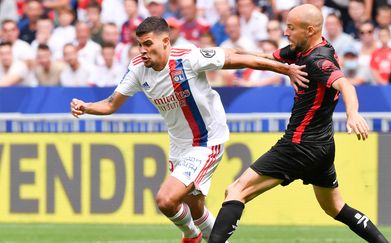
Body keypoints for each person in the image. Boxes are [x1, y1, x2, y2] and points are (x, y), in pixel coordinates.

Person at [70, 16, 308, 243]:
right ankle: (201, 233)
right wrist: (86, 107)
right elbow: (111, 104)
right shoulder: (137, 69)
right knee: (196, 210)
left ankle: (190, 236)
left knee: (166, 200)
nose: (142, 50)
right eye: (140, 44)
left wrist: (286, 69)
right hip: (179, 147)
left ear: (166, 42)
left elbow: (237, 57)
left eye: (148, 44)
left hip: (206, 141)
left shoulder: (189, 58)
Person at [208, 4, 389, 243]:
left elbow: (346, 84)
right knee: (336, 207)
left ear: (310, 30)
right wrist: (227, 54)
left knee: (235, 191)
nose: (285, 32)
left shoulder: (318, 60)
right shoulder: (305, 49)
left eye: (291, 28)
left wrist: (352, 113)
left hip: (298, 145)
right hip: (322, 148)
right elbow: (263, 58)